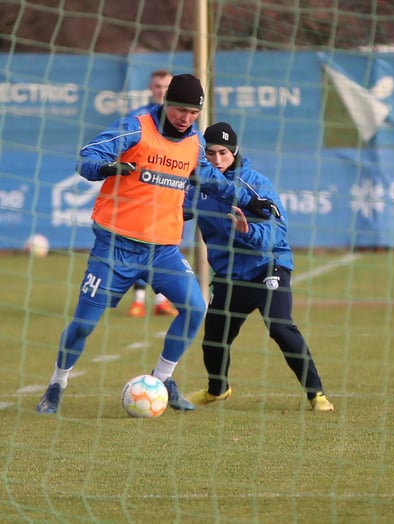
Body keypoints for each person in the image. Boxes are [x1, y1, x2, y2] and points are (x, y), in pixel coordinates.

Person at [36, 74, 280, 414]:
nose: (186, 118)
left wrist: (252, 202)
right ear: (167, 104)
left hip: (162, 251)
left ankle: (163, 378)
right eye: (181, 110)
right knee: (83, 325)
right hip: (114, 249)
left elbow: (214, 181)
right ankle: (56, 384)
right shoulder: (136, 128)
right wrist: (106, 167)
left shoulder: (194, 144)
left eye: (193, 113)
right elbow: (87, 155)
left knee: (195, 308)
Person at [184, 122, 334, 412]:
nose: (217, 160)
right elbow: (176, 210)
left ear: (235, 152)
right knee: (214, 339)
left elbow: (275, 235)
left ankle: (316, 395)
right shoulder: (199, 188)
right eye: (211, 154)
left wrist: (247, 232)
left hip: (267, 267)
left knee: (280, 327)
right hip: (229, 276)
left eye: (223, 154)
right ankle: (218, 390)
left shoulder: (256, 185)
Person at [126, 69, 177, 318]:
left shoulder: (181, 120)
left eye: (167, 86)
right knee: (140, 246)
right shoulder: (137, 117)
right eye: (158, 86)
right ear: (150, 87)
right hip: (141, 193)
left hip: (169, 193)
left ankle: (160, 300)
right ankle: (138, 300)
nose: (162, 91)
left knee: (163, 246)